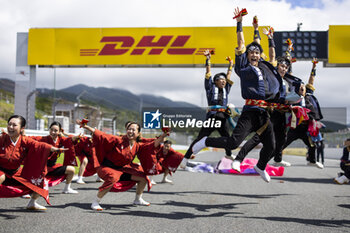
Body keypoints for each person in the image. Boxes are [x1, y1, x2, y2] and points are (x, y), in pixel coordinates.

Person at [192, 7, 285, 183]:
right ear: (247, 55)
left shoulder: (264, 68)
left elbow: (272, 57)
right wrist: (240, 23)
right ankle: (205, 142)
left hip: (263, 113)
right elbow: (242, 44)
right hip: (250, 111)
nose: (255, 54)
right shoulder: (243, 68)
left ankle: (261, 166)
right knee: (234, 142)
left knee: (272, 146)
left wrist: (270, 38)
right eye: (252, 52)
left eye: (257, 52)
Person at [232, 17, 305, 171]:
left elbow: (284, 62)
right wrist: (257, 30)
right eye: (281, 66)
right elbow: (263, 51)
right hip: (267, 109)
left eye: (286, 67)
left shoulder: (283, 79)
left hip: (279, 111)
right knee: (258, 137)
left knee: (281, 138)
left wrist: (298, 98)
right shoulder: (266, 69)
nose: (284, 68)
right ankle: (239, 158)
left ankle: (276, 159)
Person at [77, 119, 167, 211]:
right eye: (129, 129)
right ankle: (96, 202)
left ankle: (138, 199)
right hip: (107, 167)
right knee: (113, 177)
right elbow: (102, 135)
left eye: (133, 130)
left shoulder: (137, 145)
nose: (130, 131)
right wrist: (86, 127)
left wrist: (164, 134)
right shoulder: (118, 140)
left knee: (143, 178)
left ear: (138, 133)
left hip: (122, 169)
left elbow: (152, 145)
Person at [180, 48, 234, 167]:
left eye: (225, 80)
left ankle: (229, 155)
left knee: (228, 138)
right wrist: (208, 59)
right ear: (215, 81)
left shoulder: (226, 89)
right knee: (200, 138)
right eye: (221, 80)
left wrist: (231, 65)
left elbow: (229, 76)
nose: (224, 81)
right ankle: (185, 158)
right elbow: (208, 74)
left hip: (223, 117)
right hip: (212, 117)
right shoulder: (210, 88)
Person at [0, 115, 65, 210]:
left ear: (22, 128)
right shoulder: (2, 139)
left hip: (16, 172)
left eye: (14, 125)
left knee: (40, 181)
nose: (10, 127)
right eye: (9, 124)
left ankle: (32, 203)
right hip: (1, 170)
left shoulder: (25, 140)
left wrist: (53, 148)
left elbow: (39, 146)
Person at [276, 58, 324, 169]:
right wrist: (289, 64)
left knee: (312, 145)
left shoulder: (309, 95)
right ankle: (276, 159)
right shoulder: (293, 96)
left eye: (303, 86)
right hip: (295, 127)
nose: (302, 88)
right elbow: (289, 78)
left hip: (306, 128)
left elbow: (311, 81)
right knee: (282, 143)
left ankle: (312, 161)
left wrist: (314, 67)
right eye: (300, 86)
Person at [31, 121, 79, 194]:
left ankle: (67, 188)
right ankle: (26, 191)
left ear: (59, 131)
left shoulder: (60, 140)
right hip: (42, 167)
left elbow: (68, 140)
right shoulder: (44, 139)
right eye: (51, 130)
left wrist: (74, 138)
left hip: (52, 166)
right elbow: (31, 139)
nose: (53, 132)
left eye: (55, 130)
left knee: (71, 170)